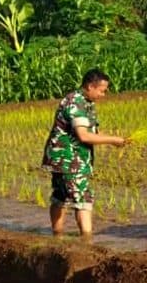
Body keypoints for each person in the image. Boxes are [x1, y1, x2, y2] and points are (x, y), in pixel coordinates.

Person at [41, 68, 128, 237]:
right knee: (83, 199)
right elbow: (84, 136)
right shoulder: (76, 103)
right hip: (69, 159)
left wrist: (118, 140)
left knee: (61, 196)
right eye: (101, 91)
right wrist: (113, 140)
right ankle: (87, 241)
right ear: (90, 86)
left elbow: (92, 132)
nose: (103, 95)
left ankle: (57, 237)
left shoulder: (86, 102)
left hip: (61, 159)